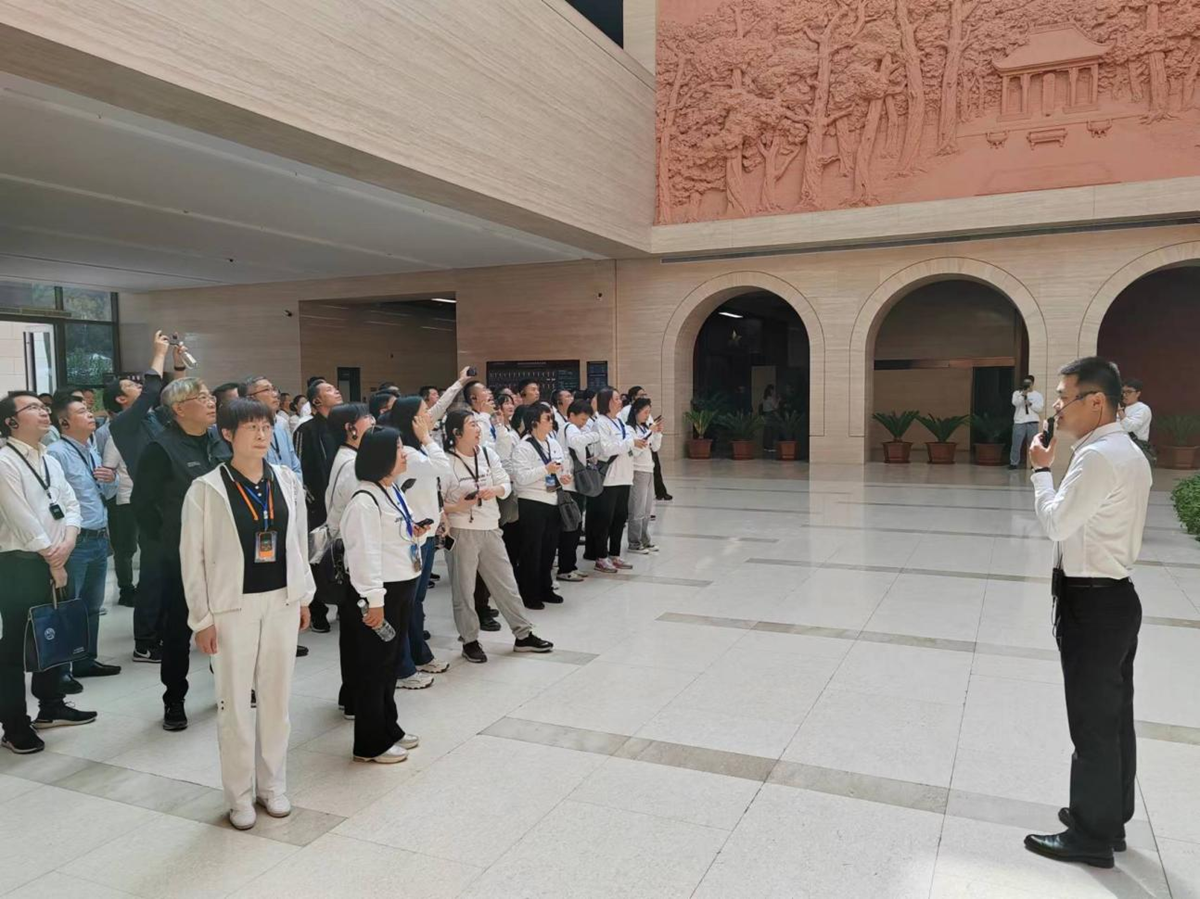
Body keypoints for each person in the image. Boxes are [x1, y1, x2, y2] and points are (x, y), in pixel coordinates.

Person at [1023, 357, 1151, 870]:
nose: (1057, 406)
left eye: (1064, 396)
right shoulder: (1122, 450)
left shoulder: (1098, 456)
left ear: (1096, 401)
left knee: (1092, 722)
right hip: (1113, 598)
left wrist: (1040, 471)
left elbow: (1057, 524)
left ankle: (1091, 835)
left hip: (1093, 604)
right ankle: (1109, 816)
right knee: (1113, 717)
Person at [181, 398, 314, 830]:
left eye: (266, 427)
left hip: (281, 599)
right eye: (251, 427)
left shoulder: (286, 479)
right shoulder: (206, 489)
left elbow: (297, 542)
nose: (261, 435)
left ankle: (272, 785)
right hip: (231, 607)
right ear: (227, 434)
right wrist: (202, 619)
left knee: (276, 698)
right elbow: (192, 558)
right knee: (235, 704)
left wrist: (304, 596)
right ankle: (238, 795)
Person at [0, 391, 97, 753]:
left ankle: (51, 706)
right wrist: (53, 559)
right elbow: (20, 518)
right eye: (34, 408)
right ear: (11, 421)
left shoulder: (48, 458)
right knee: (14, 647)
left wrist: (68, 541)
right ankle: (14, 725)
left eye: (43, 408)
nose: (44, 412)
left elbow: (70, 504)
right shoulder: (5, 461)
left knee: (54, 633)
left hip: (57, 555)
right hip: (20, 564)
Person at [132, 377, 230, 732]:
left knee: (227, 624)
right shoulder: (161, 448)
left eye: (209, 396)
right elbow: (142, 504)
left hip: (224, 552)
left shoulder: (220, 441)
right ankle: (174, 698)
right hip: (180, 556)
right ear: (179, 409)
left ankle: (229, 688)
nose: (210, 402)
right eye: (201, 397)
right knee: (178, 631)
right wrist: (167, 543)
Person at [340, 427, 426, 764]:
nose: (404, 453)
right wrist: (374, 601)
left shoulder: (389, 489)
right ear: (381, 456)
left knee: (389, 665)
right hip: (380, 595)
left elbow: (394, 535)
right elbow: (364, 555)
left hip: (401, 585)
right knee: (374, 668)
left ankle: (389, 726)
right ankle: (369, 743)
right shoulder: (364, 500)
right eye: (399, 448)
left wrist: (415, 531)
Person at [441, 410, 553, 663]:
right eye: (472, 425)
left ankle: (523, 635)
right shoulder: (446, 462)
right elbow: (436, 503)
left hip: (491, 527)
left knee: (506, 584)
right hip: (462, 531)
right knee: (464, 589)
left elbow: (506, 483)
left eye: (477, 424)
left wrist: (495, 489)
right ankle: (469, 640)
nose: (478, 428)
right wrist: (458, 506)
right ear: (456, 432)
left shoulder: (487, 454)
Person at [107, 330, 181, 662]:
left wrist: (178, 363)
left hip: (171, 501)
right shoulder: (123, 424)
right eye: (131, 387)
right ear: (121, 400)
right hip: (150, 505)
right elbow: (153, 389)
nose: (139, 388)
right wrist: (158, 352)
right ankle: (145, 641)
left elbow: (172, 399)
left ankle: (164, 630)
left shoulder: (152, 419)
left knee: (169, 573)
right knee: (152, 575)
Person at [47, 393, 121, 689]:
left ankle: (85, 660)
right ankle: (61, 670)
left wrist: (112, 480)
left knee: (91, 605)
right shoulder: (56, 453)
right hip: (75, 541)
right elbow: (53, 501)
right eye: (81, 411)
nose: (90, 414)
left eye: (89, 410)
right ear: (64, 422)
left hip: (99, 537)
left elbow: (106, 492)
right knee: (68, 607)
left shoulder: (90, 449)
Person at [385, 397, 453, 688]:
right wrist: (427, 438)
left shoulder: (417, 450)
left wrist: (440, 514)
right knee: (406, 604)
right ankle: (403, 667)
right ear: (411, 420)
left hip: (425, 532)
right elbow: (443, 469)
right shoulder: (408, 453)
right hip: (409, 537)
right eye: (424, 413)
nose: (429, 418)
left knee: (416, 601)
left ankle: (419, 655)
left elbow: (432, 485)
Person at [323, 402, 376, 717]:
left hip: (350, 553)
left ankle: (350, 693)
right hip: (352, 556)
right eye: (365, 418)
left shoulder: (350, 457)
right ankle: (356, 696)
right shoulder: (353, 464)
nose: (372, 420)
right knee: (358, 630)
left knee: (354, 629)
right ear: (350, 428)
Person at [293, 379, 344, 632]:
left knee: (342, 556)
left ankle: (343, 603)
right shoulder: (306, 429)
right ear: (316, 401)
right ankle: (317, 610)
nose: (336, 391)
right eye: (329, 390)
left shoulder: (342, 426)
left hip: (341, 504)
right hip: (317, 506)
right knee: (317, 557)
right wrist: (311, 501)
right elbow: (299, 468)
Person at [512, 403, 572, 608]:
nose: (551, 422)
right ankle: (529, 593)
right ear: (534, 422)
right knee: (532, 550)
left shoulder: (553, 443)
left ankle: (546, 588)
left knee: (549, 549)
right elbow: (521, 478)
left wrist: (563, 476)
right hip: (532, 503)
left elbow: (560, 467)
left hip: (553, 500)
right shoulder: (524, 447)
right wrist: (545, 469)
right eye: (547, 418)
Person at [585, 387, 645, 574]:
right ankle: (601, 557)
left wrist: (638, 444)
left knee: (620, 518)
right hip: (609, 479)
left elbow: (628, 446)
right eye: (617, 399)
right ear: (608, 402)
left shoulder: (620, 421)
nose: (620, 401)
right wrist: (630, 443)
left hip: (625, 477)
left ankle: (614, 554)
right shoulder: (600, 423)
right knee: (605, 519)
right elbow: (606, 449)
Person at [557, 399, 597, 583]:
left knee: (573, 528)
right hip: (570, 487)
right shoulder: (570, 428)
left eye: (586, 420)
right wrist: (595, 435)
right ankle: (566, 568)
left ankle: (570, 566)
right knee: (571, 528)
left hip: (573, 485)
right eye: (582, 419)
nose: (583, 423)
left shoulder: (571, 428)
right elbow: (576, 442)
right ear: (571, 415)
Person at [239, 376, 302, 478]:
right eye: (267, 390)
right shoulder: (245, 429)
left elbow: (295, 465)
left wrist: (294, 485)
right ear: (251, 398)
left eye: (274, 389)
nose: (275, 394)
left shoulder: (281, 424)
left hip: (290, 485)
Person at [626, 398, 663, 555]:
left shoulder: (645, 428)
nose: (647, 416)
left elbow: (655, 447)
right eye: (645, 412)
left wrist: (657, 433)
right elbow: (636, 450)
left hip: (649, 470)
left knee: (647, 508)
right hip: (637, 470)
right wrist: (650, 433)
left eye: (649, 412)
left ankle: (645, 539)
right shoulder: (629, 429)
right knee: (637, 508)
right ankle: (634, 542)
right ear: (636, 411)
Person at [1009, 375, 1044, 470]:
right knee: (1016, 444)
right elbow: (1015, 403)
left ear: (1032, 384)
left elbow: (1039, 409)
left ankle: (1035, 464)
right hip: (1019, 422)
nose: (1027, 385)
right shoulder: (1017, 393)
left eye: (1029, 383)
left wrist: (1030, 404)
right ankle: (1013, 463)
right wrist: (1023, 394)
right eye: (1025, 383)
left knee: (1034, 445)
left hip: (1032, 422)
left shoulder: (1038, 395)